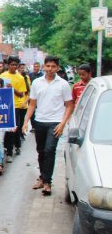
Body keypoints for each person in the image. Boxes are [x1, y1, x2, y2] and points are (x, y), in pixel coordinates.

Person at [22, 55, 74, 195]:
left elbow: (69, 105)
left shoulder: (63, 84)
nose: (50, 69)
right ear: (44, 67)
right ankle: (42, 178)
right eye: (48, 66)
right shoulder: (37, 83)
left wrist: (63, 124)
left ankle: (47, 182)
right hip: (39, 121)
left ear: (57, 68)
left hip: (55, 123)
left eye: (53, 66)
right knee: (41, 151)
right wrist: (26, 121)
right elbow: (32, 104)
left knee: (50, 150)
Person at [0, 57, 27, 162]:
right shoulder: (2, 76)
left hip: (15, 106)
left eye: (16, 65)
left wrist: (12, 89)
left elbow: (21, 94)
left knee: (15, 129)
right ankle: (3, 151)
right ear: (7, 65)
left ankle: (13, 150)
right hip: (4, 106)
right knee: (6, 130)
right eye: (12, 64)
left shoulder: (20, 78)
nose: (14, 67)